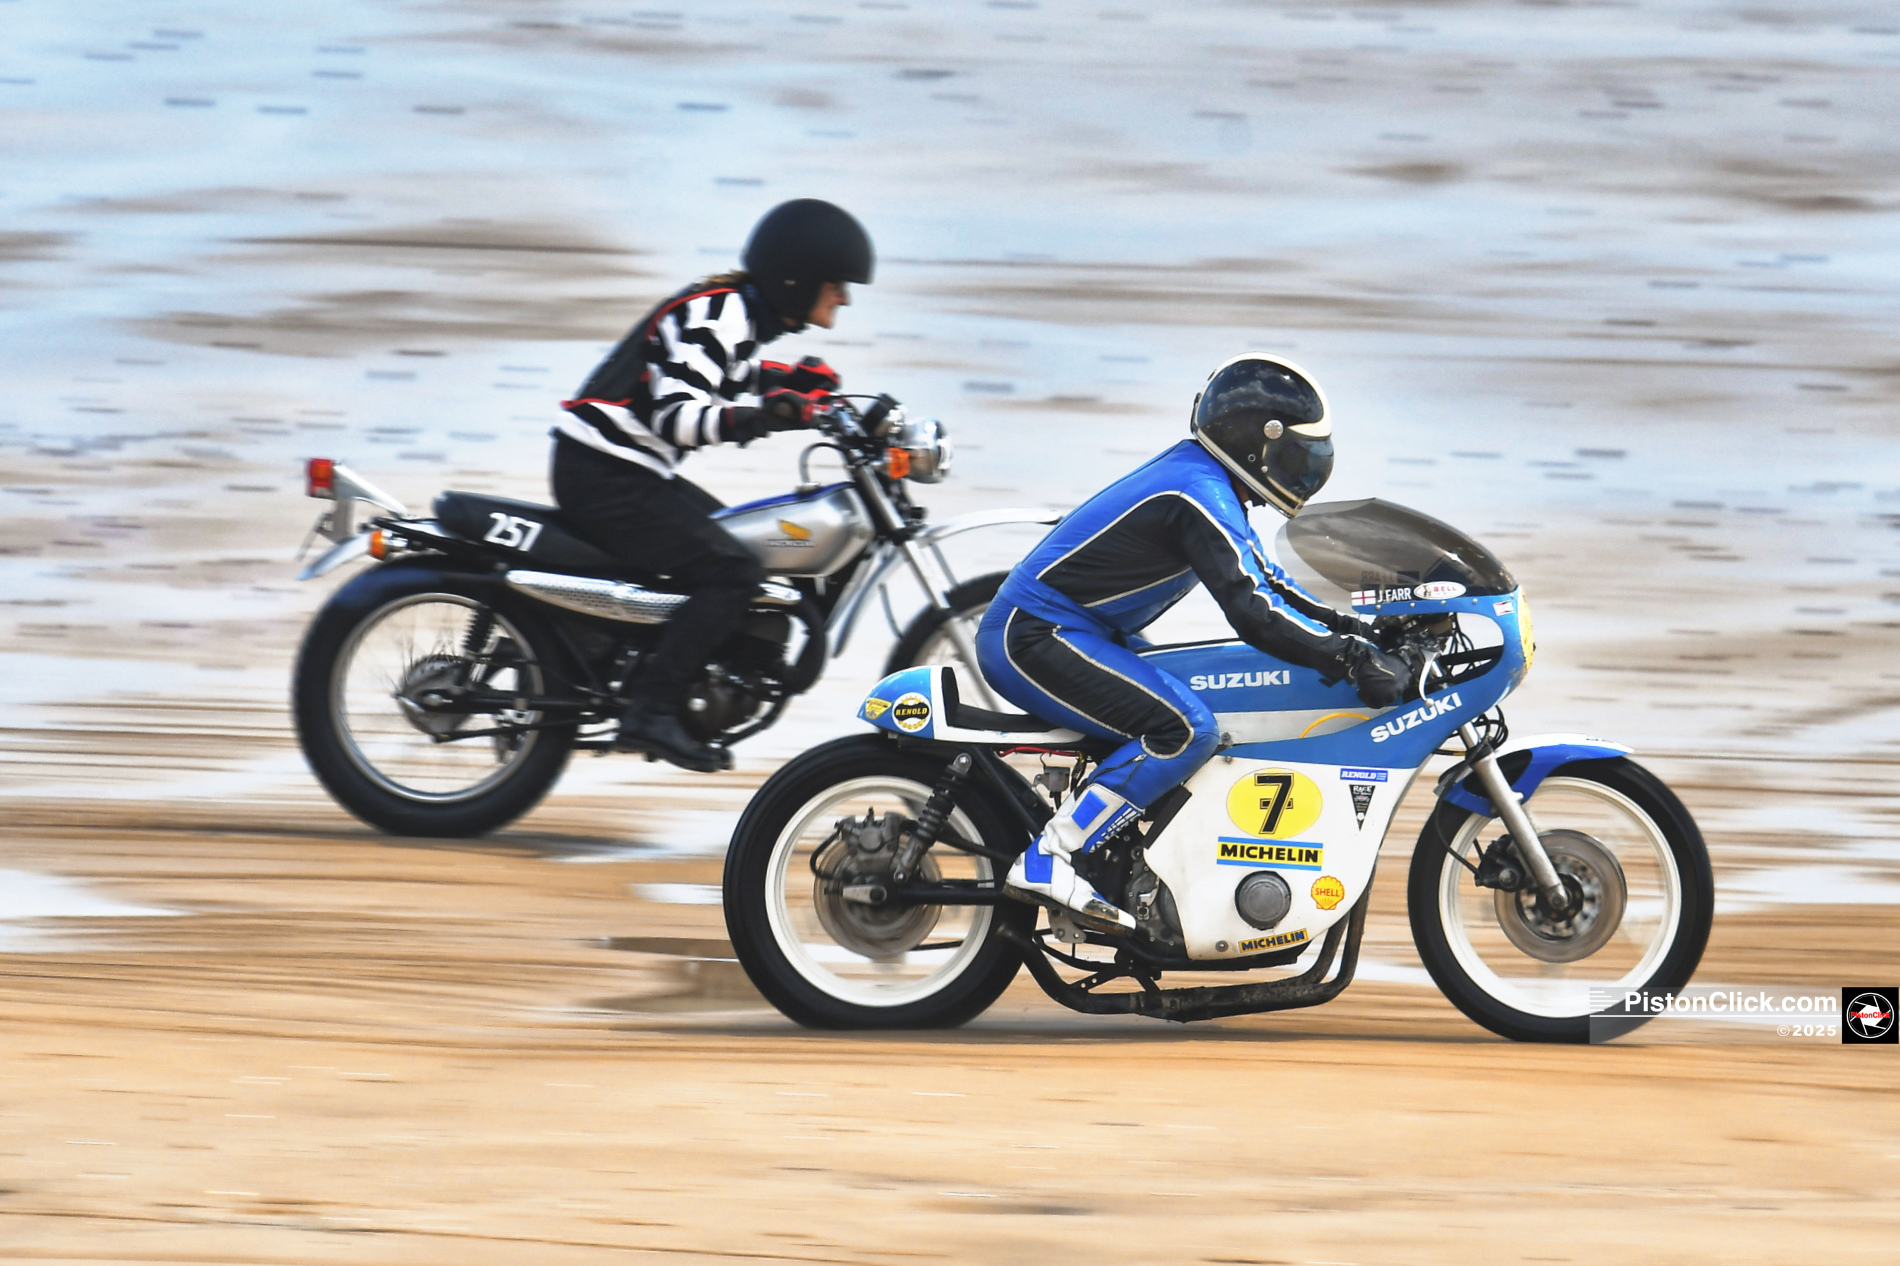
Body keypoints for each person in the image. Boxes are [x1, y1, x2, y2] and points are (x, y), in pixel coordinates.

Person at [974, 353, 1421, 931]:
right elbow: (1253, 613)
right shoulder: (1197, 493)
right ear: (1257, 441)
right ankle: (1053, 855)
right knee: (1186, 729)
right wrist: (1352, 659)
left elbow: (1271, 585)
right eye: (1299, 453)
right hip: (1035, 637)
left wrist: (1360, 631)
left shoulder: (1207, 483)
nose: (1306, 468)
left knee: (1200, 701)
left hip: (1077, 631)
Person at [551, 199, 874, 772]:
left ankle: (693, 678)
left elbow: (727, 370)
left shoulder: (733, 315)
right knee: (732, 571)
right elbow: (676, 415)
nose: (844, 297)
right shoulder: (718, 314)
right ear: (794, 277)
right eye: (836, 283)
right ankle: (649, 710)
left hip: (627, 469)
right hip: (605, 474)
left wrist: (793, 383)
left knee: (743, 546)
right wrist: (762, 416)